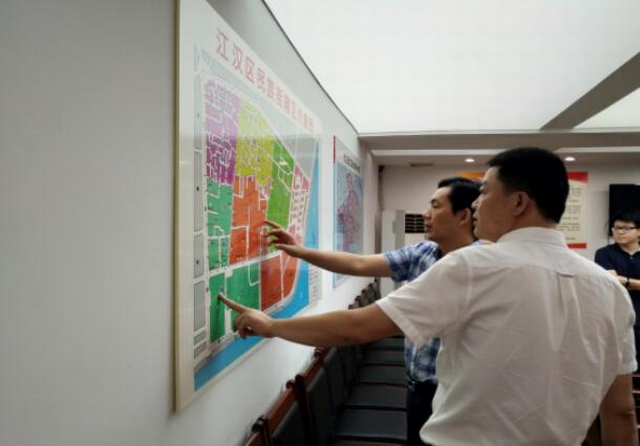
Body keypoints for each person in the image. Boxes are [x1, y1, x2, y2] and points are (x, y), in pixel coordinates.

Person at [221, 147, 637, 446]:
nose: (477, 205)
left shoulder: (474, 266)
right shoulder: (608, 288)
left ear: (518, 202)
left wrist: (272, 325)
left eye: (485, 193)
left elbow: (360, 327)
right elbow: (620, 412)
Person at [264, 176, 480, 446]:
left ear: (462, 216)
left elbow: (358, 328)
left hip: (452, 394)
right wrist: (302, 252)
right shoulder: (424, 253)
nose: (426, 214)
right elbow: (358, 264)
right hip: (416, 386)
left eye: (435, 206)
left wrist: (270, 327)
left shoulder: (480, 268)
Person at [595, 210, 640, 368]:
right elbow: (612, 281)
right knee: (620, 364)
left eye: (626, 228)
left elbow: (618, 280)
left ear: (639, 231)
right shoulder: (604, 253)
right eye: (616, 228)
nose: (620, 232)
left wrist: (625, 281)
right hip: (617, 313)